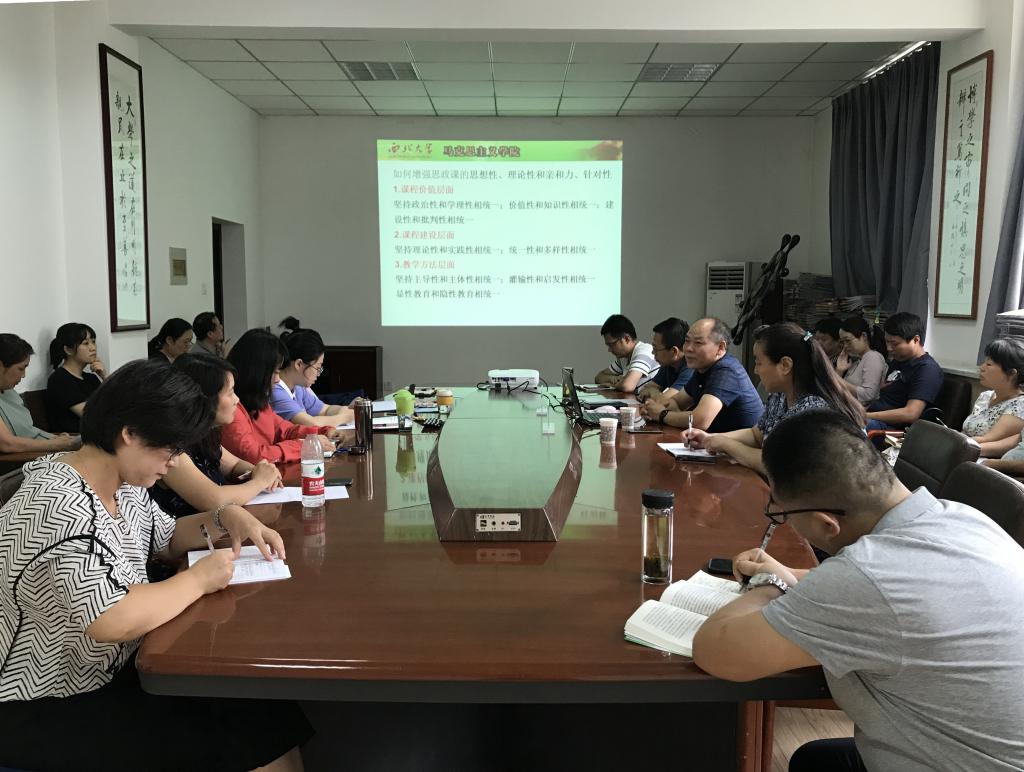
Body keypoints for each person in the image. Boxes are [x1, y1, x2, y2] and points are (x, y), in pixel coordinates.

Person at [0, 359, 311, 771]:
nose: (174, 462)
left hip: (113, 671)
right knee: (241, 730)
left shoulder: (121, 482)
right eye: (170, 449)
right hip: (42, 703)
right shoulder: (56, 505)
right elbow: (115, 618)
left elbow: (165, 536)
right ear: (129, 433)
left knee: (258, 701)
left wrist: (225, 518)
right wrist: (199, 580)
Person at [691, 410, 1024, 772]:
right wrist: (793, 576)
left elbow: (715, 650)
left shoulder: (866, 576)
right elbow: (894, 591)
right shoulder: (962, 517)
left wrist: (771, 583)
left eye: (784, 516)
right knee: (815, 761)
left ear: (826, 524)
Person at [682, 323, 864, 474]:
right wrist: (709, 439)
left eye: (759, 362)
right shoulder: (780, 396)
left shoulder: (813, 410)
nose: (755, 370)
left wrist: (726, 444)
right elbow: (757, 435)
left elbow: (778, 464)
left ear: (785, 365)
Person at [150, 353, 284, 518]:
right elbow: (214, 500)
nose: (237, 400)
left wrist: (259, 471)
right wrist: (260, 481)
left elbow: (234, 466)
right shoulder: (169, 448)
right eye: (230, 392)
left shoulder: (204, 433)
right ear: (204, 397)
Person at [221, 329, 338, 464]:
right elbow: (255, 456)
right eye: (275, 372)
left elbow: (285, 430)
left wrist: (322, 432)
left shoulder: (259, 400)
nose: (277, 380)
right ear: (257, 372)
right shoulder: (231, 408)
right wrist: (304, 446)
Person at [639, 317, 763, 432]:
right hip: (713, 442)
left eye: (698, 343)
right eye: (687, 341)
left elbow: (700, 420)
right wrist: (652, 409)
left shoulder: (726, 371)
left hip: (739, 445)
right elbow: (675, 402)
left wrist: (662, 414)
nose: (688, 348)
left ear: (720, 348)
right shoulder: (702, 369)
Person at [864, 312, 944, 430]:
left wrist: (865, 416)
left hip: (891, 428)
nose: (889, 348)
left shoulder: (927, 369)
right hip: (874, 417)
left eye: (894, 344)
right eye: (887, 342)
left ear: (916, 340)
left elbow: (911, 414)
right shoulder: (898, 361)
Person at [0, 334, 78, 453]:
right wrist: (58, 444)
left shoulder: (9, 392)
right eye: (21, 368)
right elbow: (7, 444)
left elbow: (28, 431)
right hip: (26, 458)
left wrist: (54, 439)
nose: (23, 375)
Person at [273, 328, 355, 427]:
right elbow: (311, 423)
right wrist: (344, 417)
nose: (319, 374)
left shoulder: (298, 387)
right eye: (318, 367)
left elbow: (325, 410)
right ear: (299, 364)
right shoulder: (275, 390)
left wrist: (347, 410)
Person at [45, 322, 107, 434]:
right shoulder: (60, 379)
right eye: (86, 343)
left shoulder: (91, 378)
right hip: (76, 438)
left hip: (99, 434)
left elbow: (118, 406)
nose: (93, 348)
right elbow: (92, 416)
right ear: (68, 350)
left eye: (93, 342)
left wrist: (105, 377)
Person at [592, 314, 660, 392]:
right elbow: (599, 377)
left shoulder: (644, 351)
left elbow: (627, 386)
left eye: (612, 344)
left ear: (626, 339)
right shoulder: (624, 357)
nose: (609, 350)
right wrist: (614, 379)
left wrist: (612, 385)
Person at [637, 317, 693, 403]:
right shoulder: (669, 364)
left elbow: (667, 402)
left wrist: (655, 394)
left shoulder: (690, 367)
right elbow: (644, 391)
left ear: (674, 351)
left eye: (656, 349)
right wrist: (657, 395)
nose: (652, 352)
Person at [834, 316, 887, 406]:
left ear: (863, 336)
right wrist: (839, 370)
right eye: (843, 342)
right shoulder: (857, 361)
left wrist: (837, 379)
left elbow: (868, 395)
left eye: (848, 340)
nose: (845, 346)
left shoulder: (872, 357)